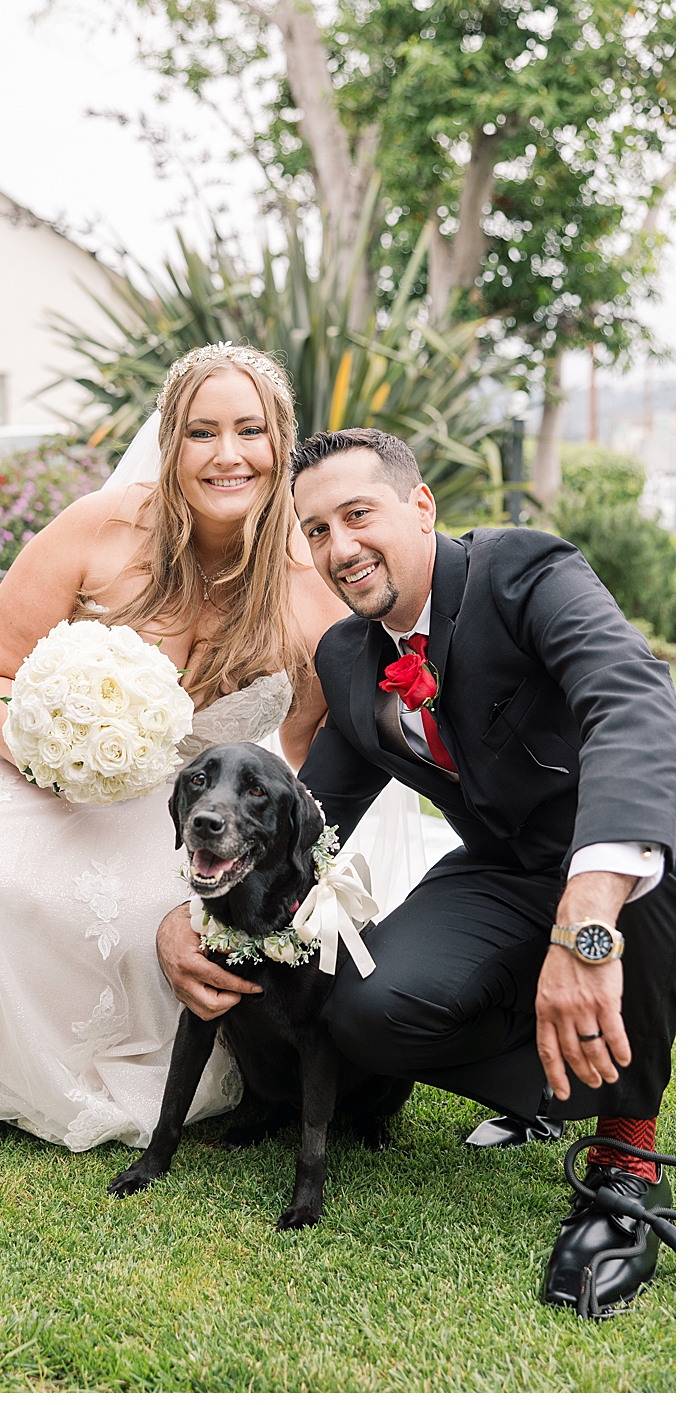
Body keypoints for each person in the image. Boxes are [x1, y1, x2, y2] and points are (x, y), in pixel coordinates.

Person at [0, 343, 410, 1148]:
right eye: (201, 433)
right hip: (31, 768)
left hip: (184, 812)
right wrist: (48, 753)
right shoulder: (102, 528)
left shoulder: (309, 594)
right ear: (169, 442)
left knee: (139, 918)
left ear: (281, 443)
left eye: (249, 431)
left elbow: (305, 771)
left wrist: (231, 883)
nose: (227, 455)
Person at [157, 426, 675, 1316]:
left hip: (615, 862)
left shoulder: (527, 573)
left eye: (358, 515)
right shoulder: (349, 659)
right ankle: (546, 1083)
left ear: (420, 506)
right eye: (316, 530)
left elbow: (631, 699)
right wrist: (198, 912)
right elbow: (307, 825)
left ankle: (624, 1160)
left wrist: (585, 917)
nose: (340, 547)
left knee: (638, 879)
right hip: (502, 870)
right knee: (365, 1010)